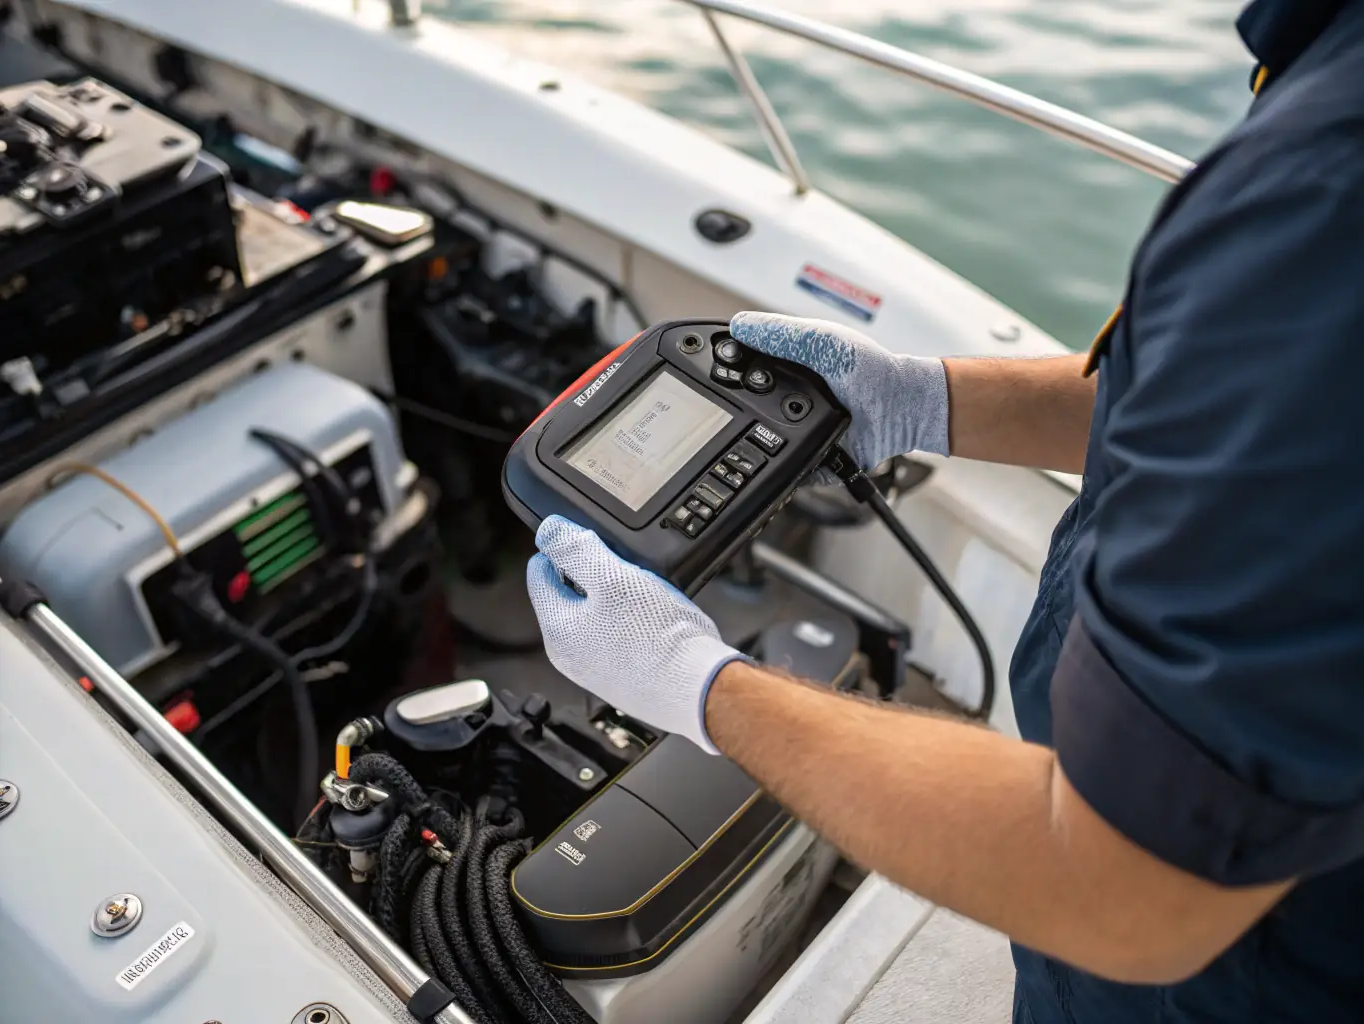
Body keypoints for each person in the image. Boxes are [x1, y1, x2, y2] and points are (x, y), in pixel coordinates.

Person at [524, 0, 1364, 1020]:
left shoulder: (1324, 197)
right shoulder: (1324, 79)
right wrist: (924, 396)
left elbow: (1125, 892)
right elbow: (1242, 400)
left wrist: (699, 685)